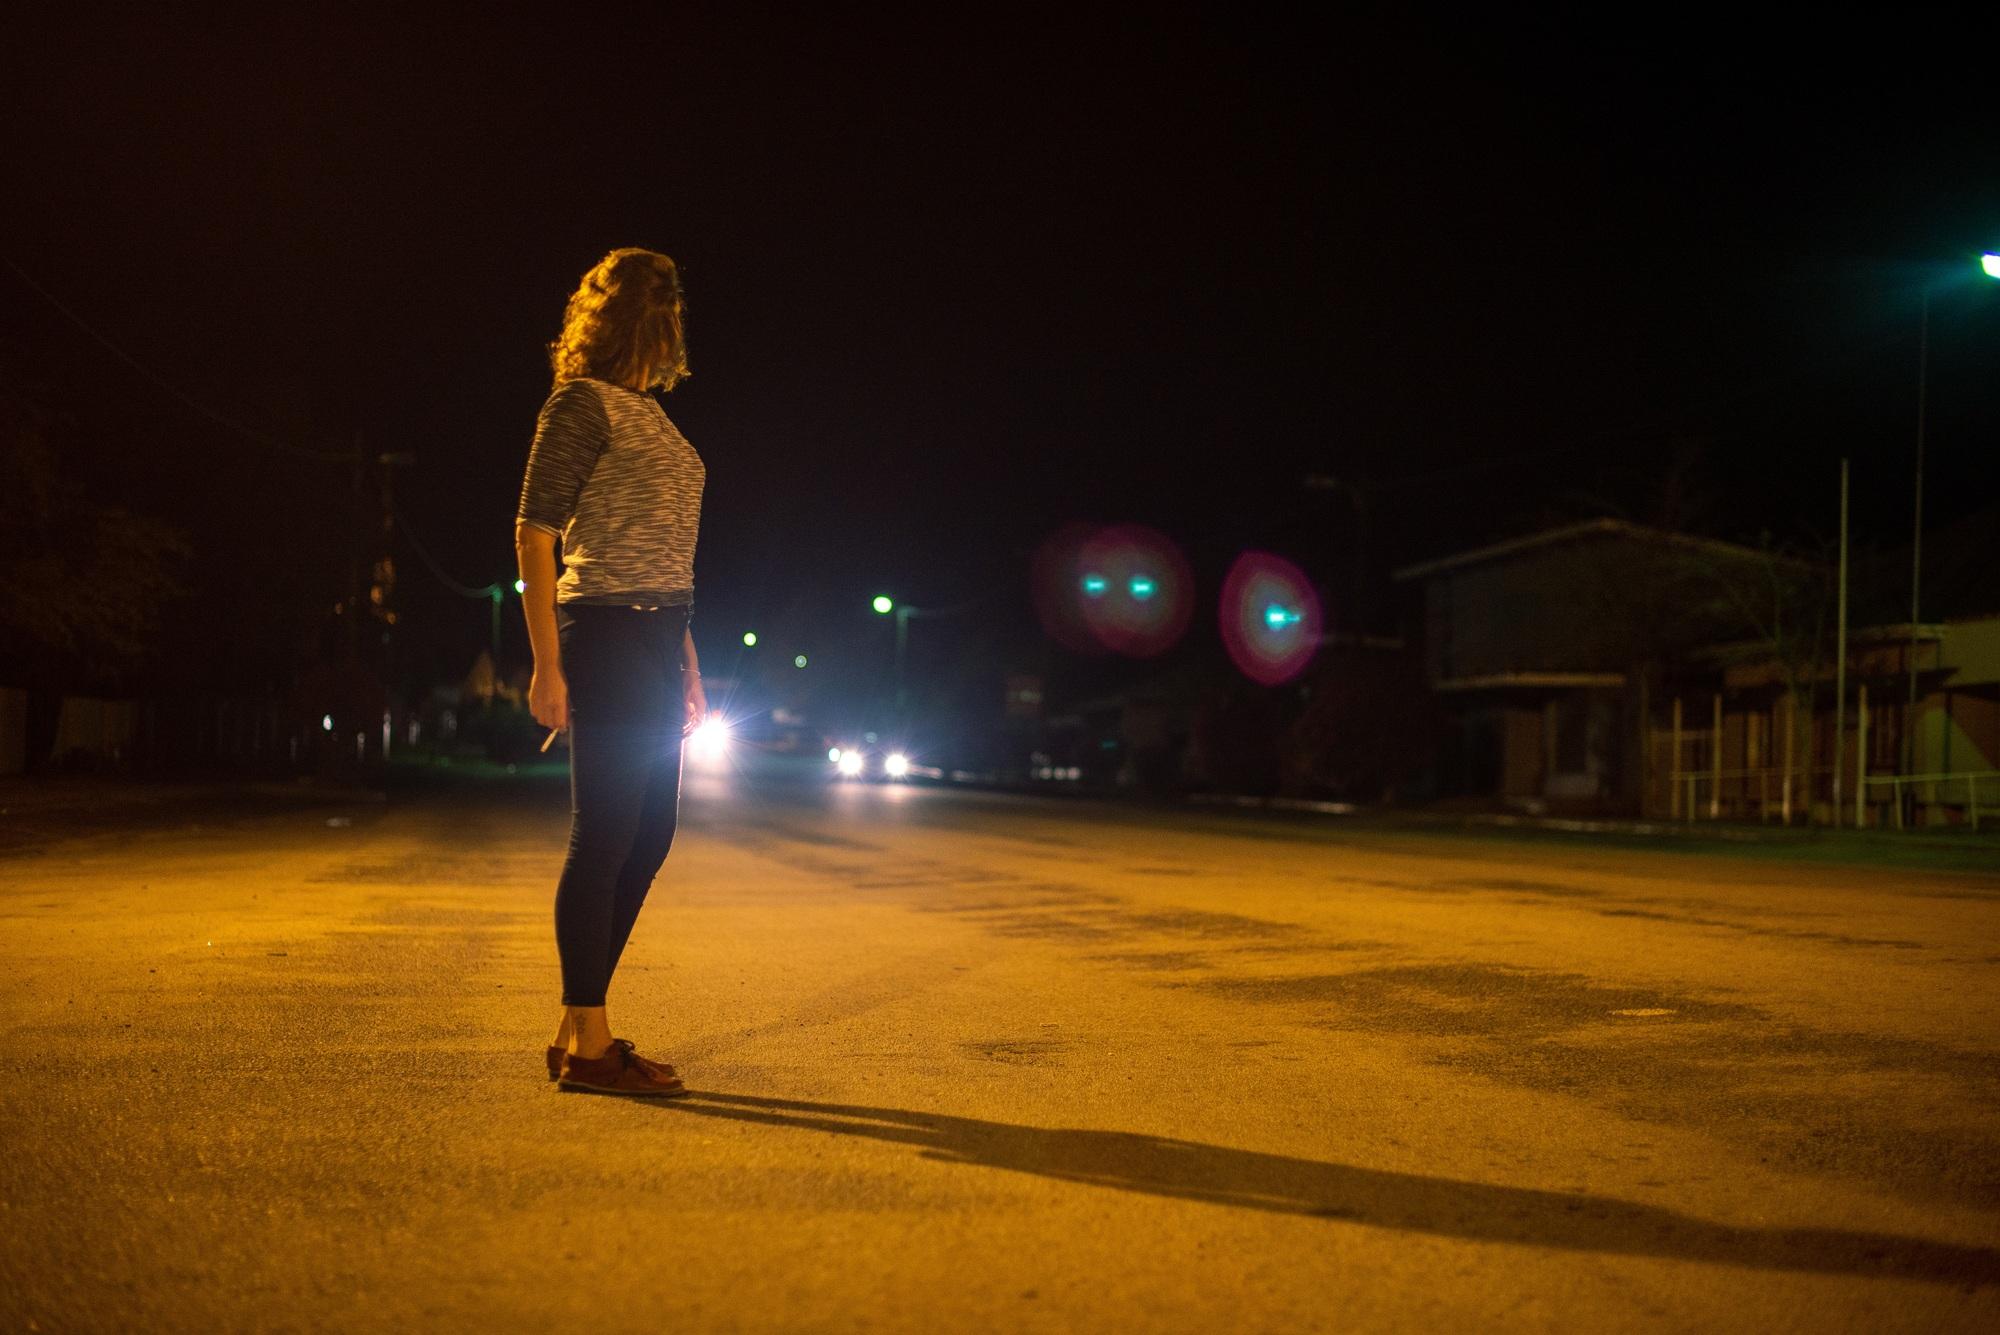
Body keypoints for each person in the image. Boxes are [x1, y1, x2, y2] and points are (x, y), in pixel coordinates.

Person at [515, 247, 705, 1096]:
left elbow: (665, 551)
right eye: (663, 311)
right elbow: (534, 532)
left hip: (661, 641)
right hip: (604, 636)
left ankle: (576, 1029)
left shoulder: (655, 418)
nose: (672, 327)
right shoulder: (579, 405)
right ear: (639, 320)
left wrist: (689, 659)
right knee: (606, 835)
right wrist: (546, 663)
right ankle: (590, 1043)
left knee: (651, 836)